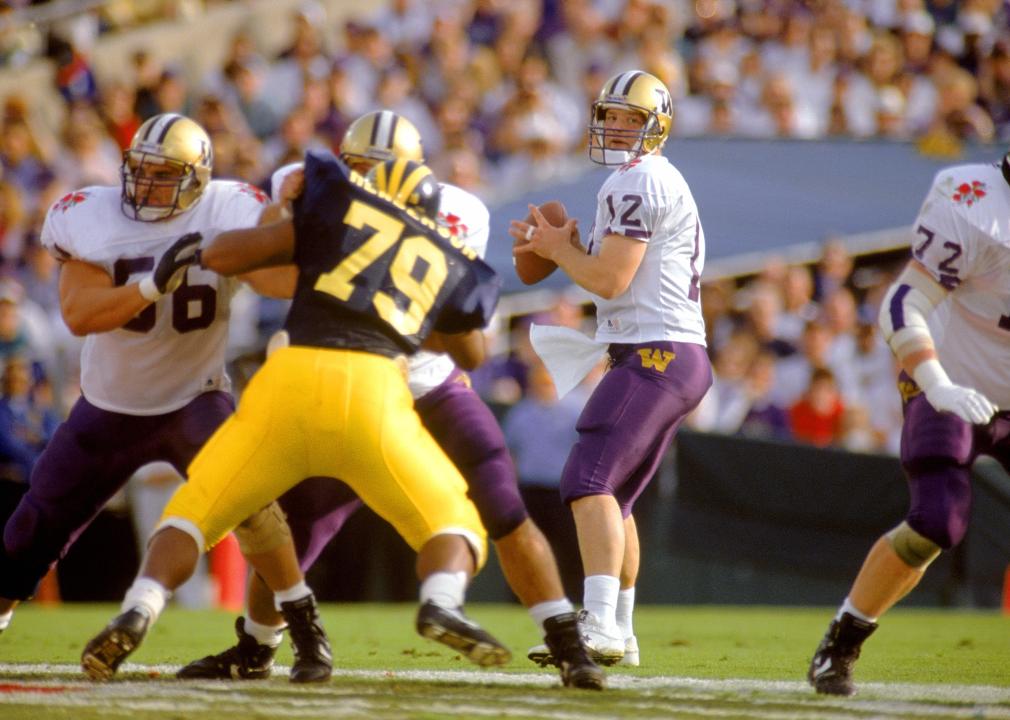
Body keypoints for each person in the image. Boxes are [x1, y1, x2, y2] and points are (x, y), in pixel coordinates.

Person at [176, 110, 604, 690]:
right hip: (348, 382)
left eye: (380, 169)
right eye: (357, 168)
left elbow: (451, 325)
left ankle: (567, 643)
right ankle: (257, 645)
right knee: (302, 520)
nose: (368, 180)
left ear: (414, 170)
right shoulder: (315, 192)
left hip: (426, 384)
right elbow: (268, 273)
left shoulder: (457, 211)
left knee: (503, 507)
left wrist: (369, 302)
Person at [80, 151, 511, 683]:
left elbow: (223, 254)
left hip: (289, 378)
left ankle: (141, 604)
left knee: (196, 510)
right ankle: (441, 599)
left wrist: (286, 217)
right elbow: (472, 357)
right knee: (452, 520)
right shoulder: (443, 251)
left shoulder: (336, 217)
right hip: (375, 390)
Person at [0, 115, 325, 682]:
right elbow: (78, 314)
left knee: (256, 504)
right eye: (140, 172)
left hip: (195, 398)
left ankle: (297, 626)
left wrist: (290, 220)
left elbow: (281, 280)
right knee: (37, 524)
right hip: (109, 405)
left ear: (198, 178)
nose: (147, 187)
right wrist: (153, 284)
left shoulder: (227, 207)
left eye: (164, 175)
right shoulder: (89, 213)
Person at [510, 70, 713, 666]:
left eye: (632, 118)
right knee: (615, 500)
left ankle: (597, 622)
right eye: (612, 117)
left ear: (657, 126)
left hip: (657, 352)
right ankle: (619, 628)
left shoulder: (638, 180)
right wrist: (567, 244)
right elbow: (611, 274)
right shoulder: (644, 180)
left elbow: (609, 279)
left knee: (587, 481)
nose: (618, 127)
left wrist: (559, 251)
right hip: (669, 353)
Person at [807, 153, 1010, 696]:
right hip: (949, 377)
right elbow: (903, 302)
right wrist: (936, 382)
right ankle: (844, 638)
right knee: (937, 521)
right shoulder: (975, 204)